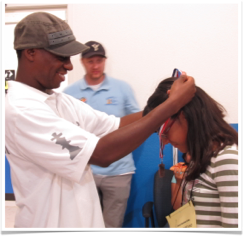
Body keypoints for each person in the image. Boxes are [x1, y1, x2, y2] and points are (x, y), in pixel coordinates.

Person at [5, 12, 196, 228]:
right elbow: (101, 154)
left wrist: (166, 100)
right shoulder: (21, 110)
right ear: (31, 52)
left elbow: (117, 125)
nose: (69, 66)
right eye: (61, 56)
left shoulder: (60, 101)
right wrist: (171, 106)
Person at [63, 41, 140, 228]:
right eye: (90, 61)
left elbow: (138, 124)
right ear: (82, 62)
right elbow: (64, 132)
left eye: (99, 60)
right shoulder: (69, 93)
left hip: (119, 171)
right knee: (83, 224)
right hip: (84, 171)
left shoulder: (122, 89)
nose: (95, 66)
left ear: (105, 61)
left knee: (112, 225)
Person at [143, 77, 238, 228]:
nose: (165, 141)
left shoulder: (226, 160)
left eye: (163, 131)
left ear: (184, 116)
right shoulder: (198, 160)